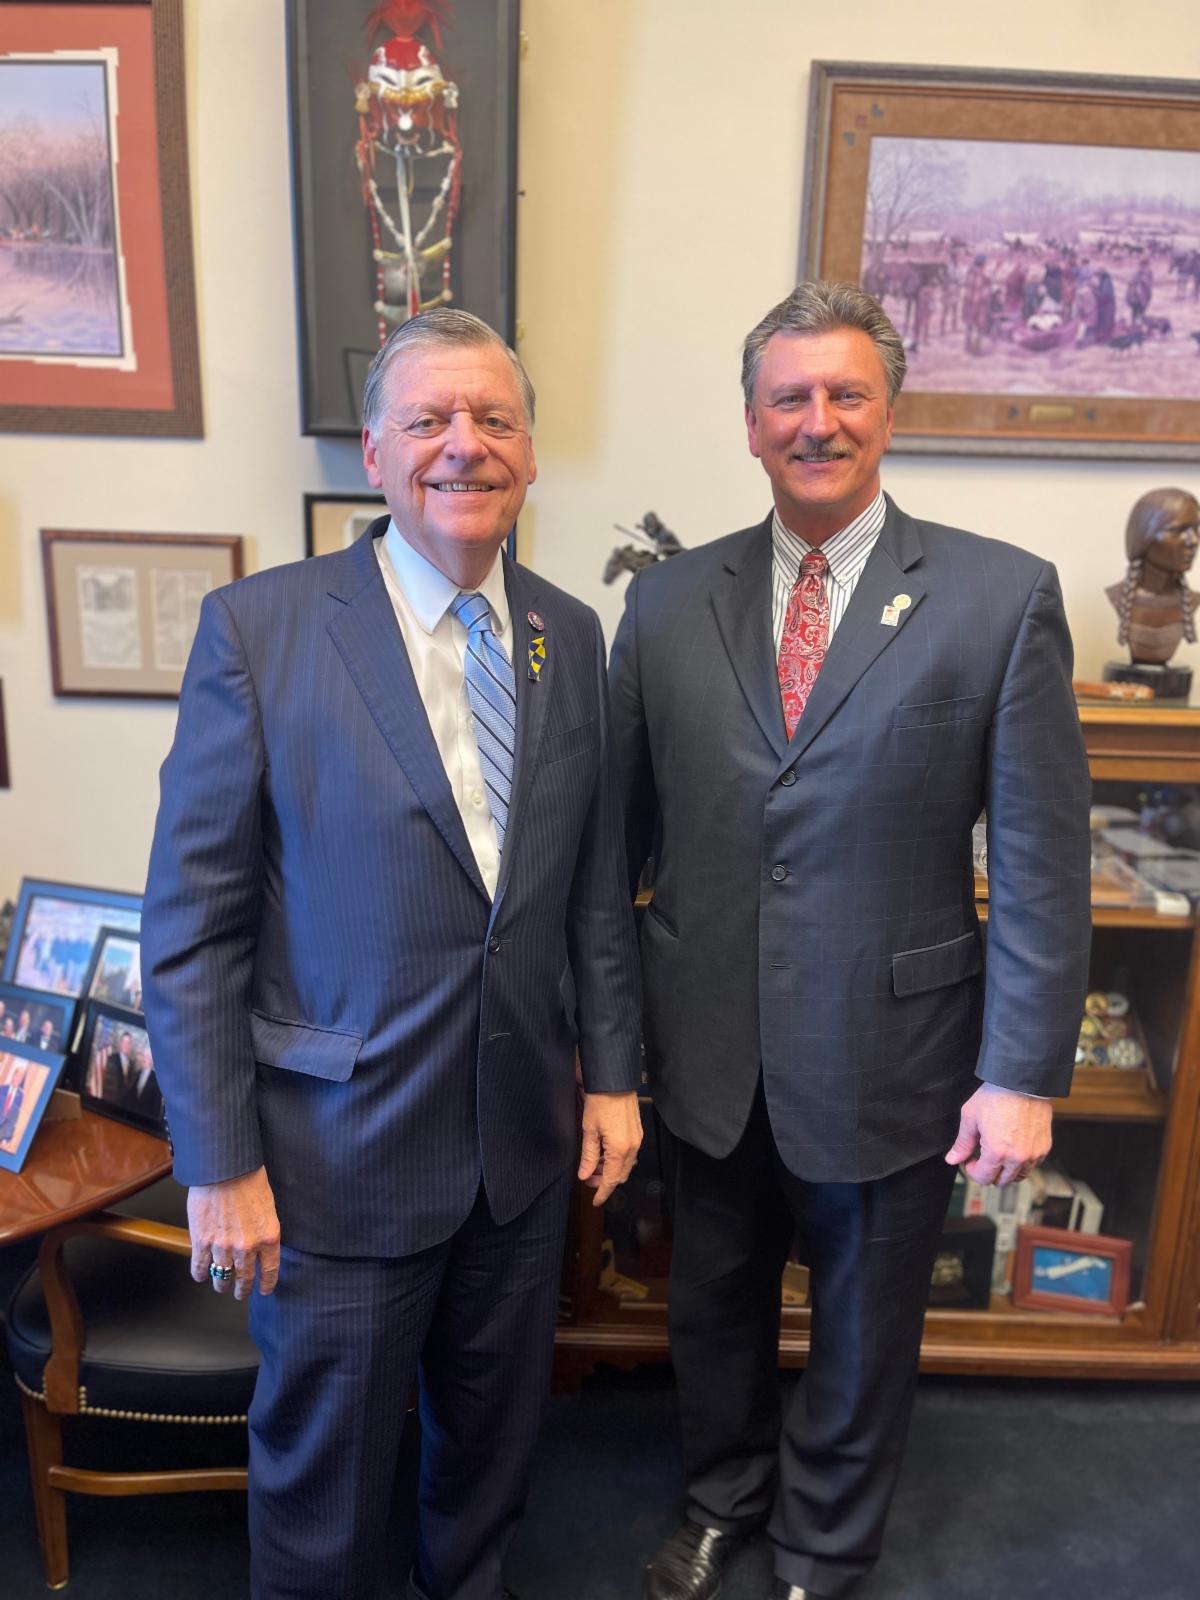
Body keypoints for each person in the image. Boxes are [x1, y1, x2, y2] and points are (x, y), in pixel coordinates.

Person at [142, 308, 643, 1600]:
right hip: (335, 1167)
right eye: (429, 420)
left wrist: (612, 1075)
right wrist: (219, 1164)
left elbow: (592, 883)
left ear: (532, 453)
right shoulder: (260, 631)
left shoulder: (570, 632)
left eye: (494, 419)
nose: (463, 445)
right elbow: (194, 927)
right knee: (327, 1493)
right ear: (375, 452)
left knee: (488, 1464)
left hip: (518, 1159)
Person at [610, 280, 1092, 1600]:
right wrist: (609, 1050)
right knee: (712, 1303)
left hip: (897, 1049)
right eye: (788, 398)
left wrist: (1022, 1071)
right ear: (750, 423)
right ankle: (723, 1499)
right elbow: (616, 849)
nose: (816, 421)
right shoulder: (666, 603)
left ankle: (824, 1548)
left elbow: (1042, 860)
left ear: (890, 410)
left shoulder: (999, 598)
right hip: (708, 1048)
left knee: (866, 1323)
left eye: (845, 394)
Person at [1105, 486, 1199, 666]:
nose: (1193, 541)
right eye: (1178, 531)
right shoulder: (1119, 596)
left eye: (1196, 529)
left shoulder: (1190, 601)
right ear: (1144, 537)